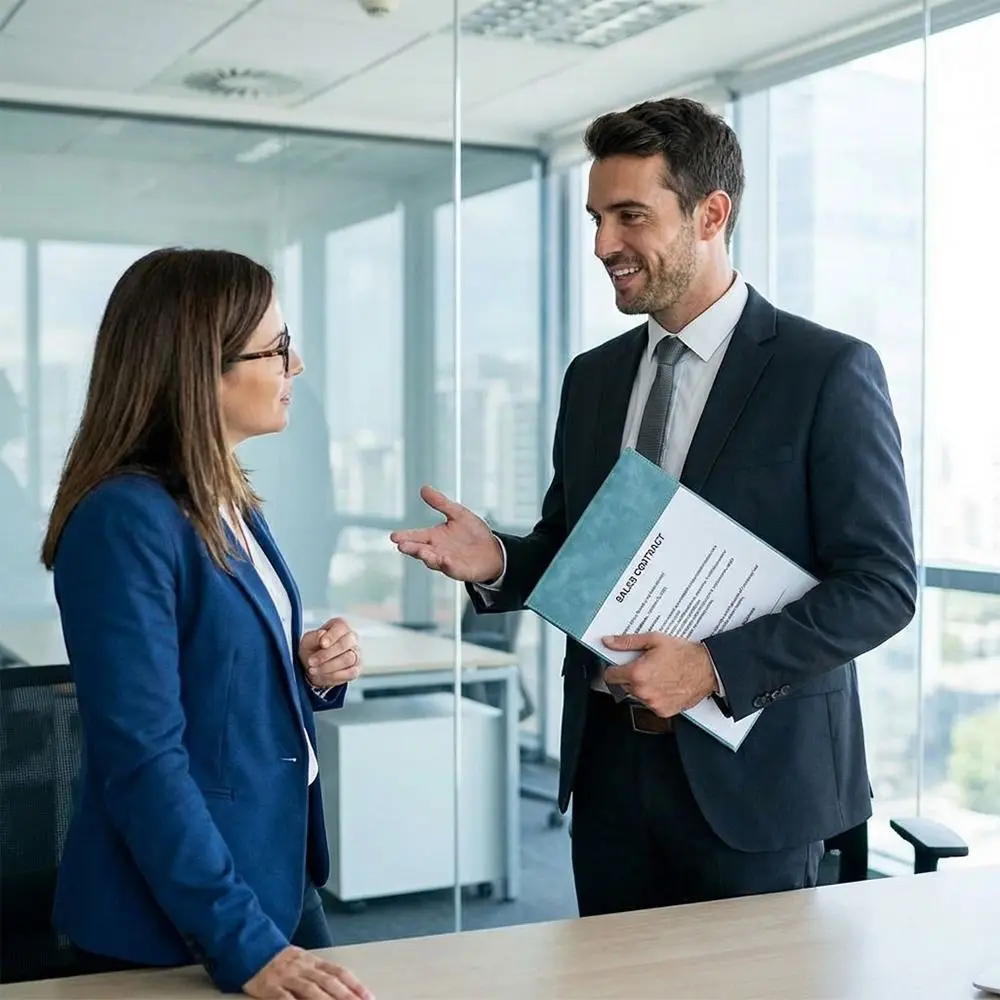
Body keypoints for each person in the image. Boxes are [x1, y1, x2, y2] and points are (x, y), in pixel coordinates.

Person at [391, 98, 917, 915]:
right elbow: (579, 553)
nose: (604, 244)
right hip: (610, 775)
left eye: (630, 216)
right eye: (598, 217)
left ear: (711, 214)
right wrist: (499, 560)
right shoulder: (593, 378)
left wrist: (711, 668)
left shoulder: (827, 372)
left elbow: (882, 586)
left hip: (758, 786)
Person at [41, 248, 373, 998]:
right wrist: (243, 945)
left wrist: (309, 669)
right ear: (203, 369)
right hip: (181, 918)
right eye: (279, 348)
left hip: (270, 874)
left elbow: (214, 677)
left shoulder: (225, 498)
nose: (299, 366)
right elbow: (143, 759)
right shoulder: (125, 521)